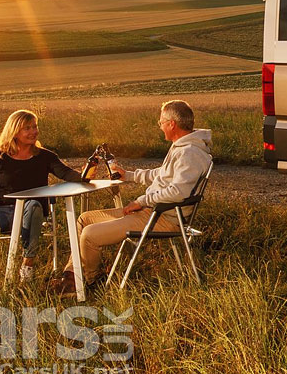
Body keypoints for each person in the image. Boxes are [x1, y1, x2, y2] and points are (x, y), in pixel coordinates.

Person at [51, 100, 212, 295]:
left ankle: (89, 281)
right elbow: (162, 174)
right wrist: (128, 175)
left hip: (163, 218)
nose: (160, 126)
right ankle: (71, 277)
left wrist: (140, 202)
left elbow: (178, 192)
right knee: (84, 219)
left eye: (161, 122)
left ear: (172, 124)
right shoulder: (182, 147)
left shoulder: (190, 153)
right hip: (152, 212)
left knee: (90, 235)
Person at [0, 110, 83, 293]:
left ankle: (27, 266)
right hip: (1, 211)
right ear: (15, 131)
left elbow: (65, 173)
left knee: (33, 205)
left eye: (35, 127)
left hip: (31, 211)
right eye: (27, 128)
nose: (33, 131)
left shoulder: (45, 156)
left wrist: (84, 176)